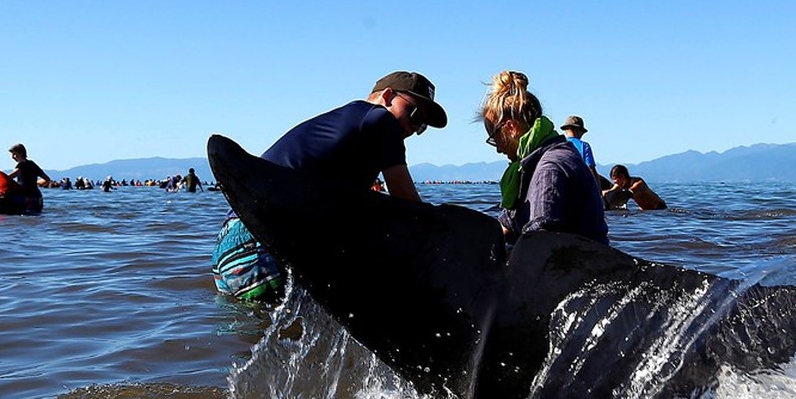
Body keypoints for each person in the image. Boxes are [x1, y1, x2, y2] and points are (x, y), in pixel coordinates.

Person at [213, 70, 448, 302]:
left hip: (228, 245)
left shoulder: (344, 127)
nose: (413, 130)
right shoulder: (380, 119)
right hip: (263, 241)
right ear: (387, 96)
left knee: (243, 335)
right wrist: (446, 240)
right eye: (414, 115)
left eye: (422, 126)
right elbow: (409, 205)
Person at [480, 71, 608, 245]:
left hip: (576, 267)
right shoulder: (531, 166)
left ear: (511, 128)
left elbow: (540, 243)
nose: (499, 150)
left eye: (495, 139)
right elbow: (508, 227)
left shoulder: (549, 168)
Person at [560, 115, 611, 191]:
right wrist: (598, 191)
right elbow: (591, 169)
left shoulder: (559, 144)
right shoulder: (584, 146)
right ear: (578, 130)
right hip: (579, 188)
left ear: (566, 130)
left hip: (561, 185)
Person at [603, 164, 667, 211]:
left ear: (622, 177)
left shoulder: (638, 183)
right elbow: (609, 191)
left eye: (616, 182)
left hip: (659, 208)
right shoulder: (620, 184)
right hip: (645, 210)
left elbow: (628, 192)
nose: (616, 184)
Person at [8, 143, 48, 213]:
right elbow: (47, 179)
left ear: (20, 153)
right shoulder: (32, 164)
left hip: (26, 198)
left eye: (14, 154)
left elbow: (10, 177)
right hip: (38, 197)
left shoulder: (21, 164)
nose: (12, 157)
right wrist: (34, 183)